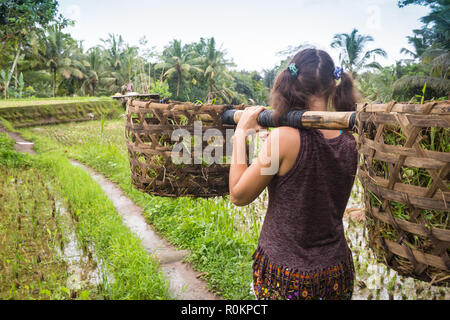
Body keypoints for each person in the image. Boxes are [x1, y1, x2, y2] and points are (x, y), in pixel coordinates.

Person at [229, 48, 359, 300]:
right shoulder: (350, 141)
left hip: (288, 279)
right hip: (336, 275)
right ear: (334, 84)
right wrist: (273, 148)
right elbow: (312, 166)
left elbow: (238, 195)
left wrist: (240, 136)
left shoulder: (283, 139)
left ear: (291, 82)